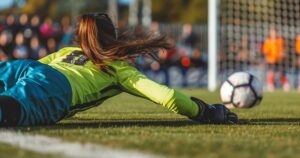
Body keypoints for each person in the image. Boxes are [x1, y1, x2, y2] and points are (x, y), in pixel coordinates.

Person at [0, 13, 238, 126]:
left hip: (29, 68)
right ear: (110, 36)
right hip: (56, 87)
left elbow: (35, 69)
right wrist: (204, 110)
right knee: (9, 111)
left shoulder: (67, 52)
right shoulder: (118, 69)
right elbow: (167, 96)